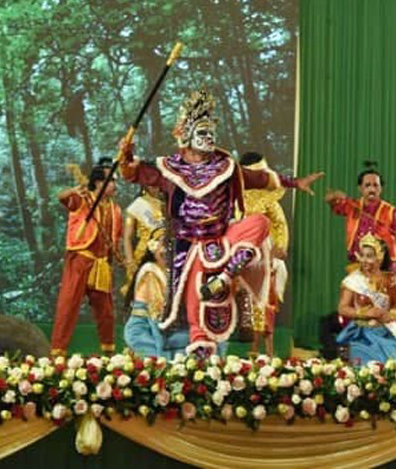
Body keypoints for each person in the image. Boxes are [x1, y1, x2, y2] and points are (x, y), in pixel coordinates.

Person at [119, 88, 323, 356]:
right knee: (196, 305)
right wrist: (126, 155)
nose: (209, 137)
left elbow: (259, 178)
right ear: (187, 136)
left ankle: (226, 276)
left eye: (211, 132)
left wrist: (295, 182)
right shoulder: (169, 169)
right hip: (189, 245)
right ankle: (199, 352)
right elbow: (133, 173)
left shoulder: (225, 166)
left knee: (260, 222)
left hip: (222, 236)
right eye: (203, 132)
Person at [51, 158, 122, 357]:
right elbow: (62, 198)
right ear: (98, 182)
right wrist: (73, 190)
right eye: (110, 180)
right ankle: (57, 353)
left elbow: (115, 238)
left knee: (106, 311)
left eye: (115, 181)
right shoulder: (83, 199)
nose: (114, 185)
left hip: (101, 264)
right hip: (80, 259)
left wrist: (116, 259)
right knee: (68, 305)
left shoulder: (115, 209)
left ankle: (109, 353)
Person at [325, 162, 396, 270]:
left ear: (381, 188)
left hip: (384, 267)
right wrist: (333, 196)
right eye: (367, 185)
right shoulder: (352, 206)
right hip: (358, 263)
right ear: (360, 188)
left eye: (375, 185)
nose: (372, 189)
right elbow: (333, 203)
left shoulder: (390, 211)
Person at [240, 152, 289, 357]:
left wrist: (280, 247)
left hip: (264, 254)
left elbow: (279, 224)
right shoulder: (234, 196)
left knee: (265, 299)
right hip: (238, 253)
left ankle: (265, 350)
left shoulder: (268, 199)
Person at [336, 234, 396, 364]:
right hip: (360, 333)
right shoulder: (353, 280)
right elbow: (342, 308)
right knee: (362, 359)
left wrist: (391, 315)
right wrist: (365, 313)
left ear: (380, 257)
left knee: (393, 359)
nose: (364, 260)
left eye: (369, 256)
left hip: (384, 330)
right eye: (362, 255)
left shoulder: (391, 279)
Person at [122, 232, 169, 357]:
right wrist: (161, 348)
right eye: (162, 245)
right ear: (152, 248)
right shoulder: (150, 271)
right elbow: (155, 311)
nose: (166, 250)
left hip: (161, 328)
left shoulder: (169, 271)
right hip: (144, 330)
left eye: (170, 245)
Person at [121, 186, 165, 295]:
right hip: (144, 254)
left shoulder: (168, 203)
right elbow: (127, 237)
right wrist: (130, 261)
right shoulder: (138, 205)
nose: (155, 186)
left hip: (165, 254)